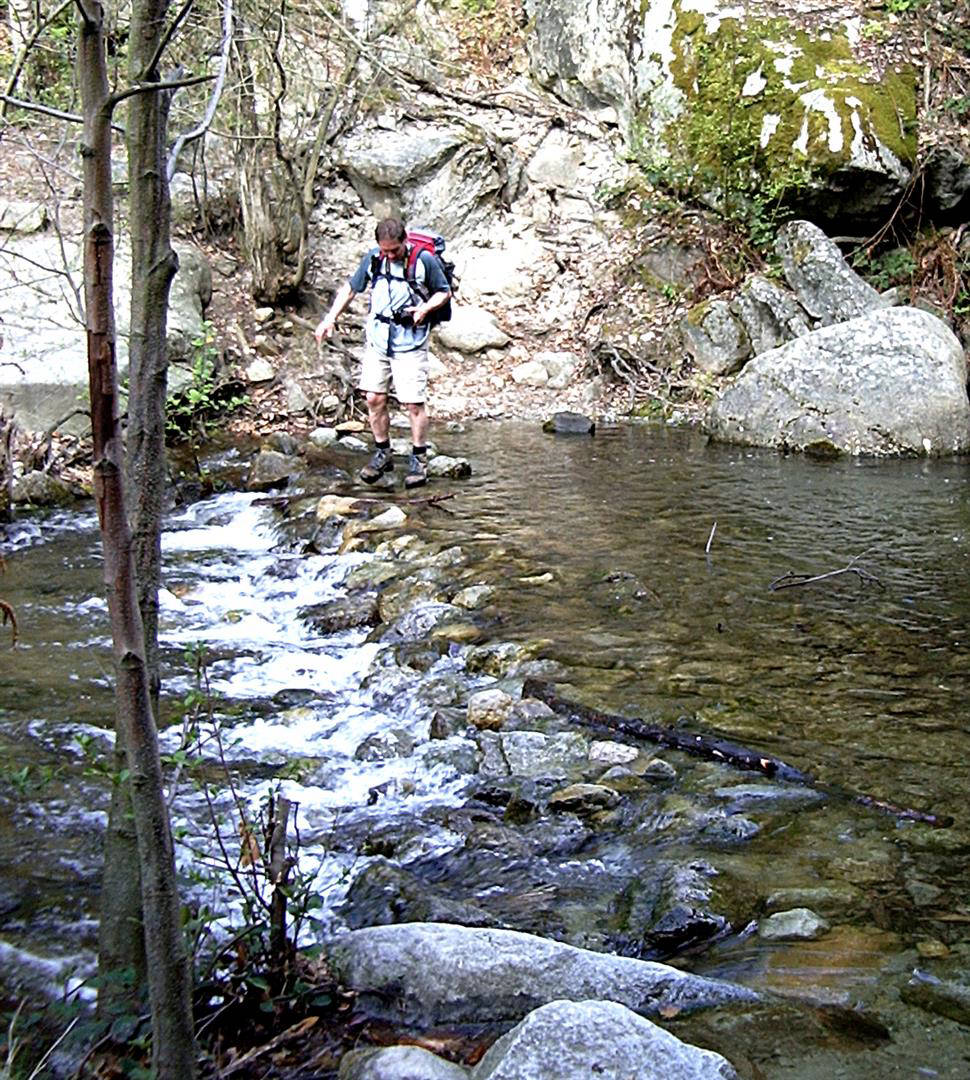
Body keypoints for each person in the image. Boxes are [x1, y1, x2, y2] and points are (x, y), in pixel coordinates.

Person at [315, 218, 451, 488]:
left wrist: (424, 309)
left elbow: (443, 293)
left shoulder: (423, 260)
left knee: (413, 403)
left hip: (410, 340)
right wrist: (329, 318)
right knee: (374, 398)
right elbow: (351, 289)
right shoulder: (374, 259)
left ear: (405, 242)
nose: (388, 255)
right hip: (378, 339)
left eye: (394, 251)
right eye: (384, 250)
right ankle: (382, 452)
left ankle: (419, 459)